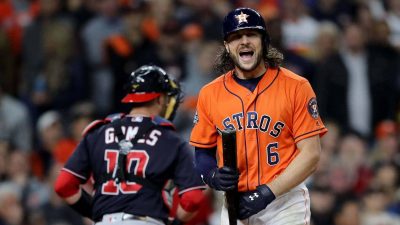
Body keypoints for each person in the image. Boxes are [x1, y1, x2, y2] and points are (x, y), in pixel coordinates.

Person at [190, 7, 328, 225]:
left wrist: (266, 193)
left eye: (251, 34)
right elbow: (202, 154)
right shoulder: (210, 93)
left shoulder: (296, 87)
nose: (244, 41)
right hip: (235, 201)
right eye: (236, 37)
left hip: (284, 201)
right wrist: (212, 176)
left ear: (264, 41)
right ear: (227, 45)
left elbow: (311, 155)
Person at [54, 65, 206, 225]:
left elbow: (63, 185)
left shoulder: (97, 132)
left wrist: (96, 212)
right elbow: (193, 198)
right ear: (159, 98)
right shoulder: (169, 139)